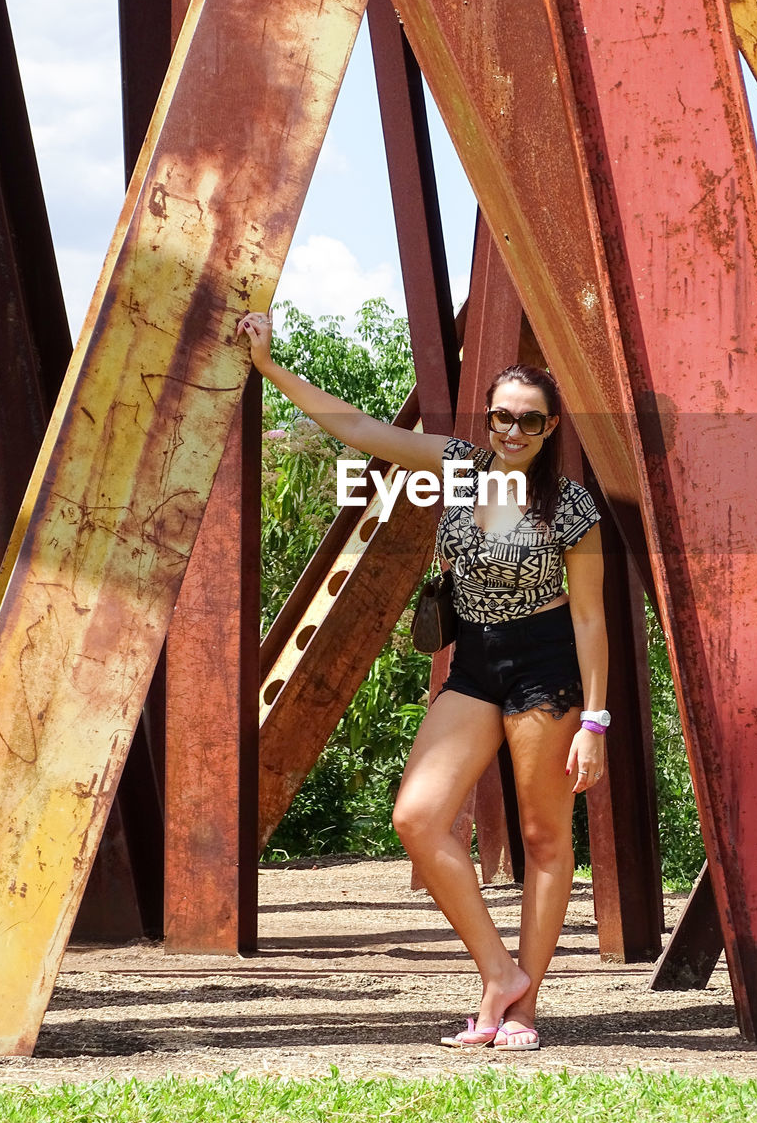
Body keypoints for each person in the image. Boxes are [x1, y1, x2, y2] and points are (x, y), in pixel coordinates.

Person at [238, 310, 609, 1052]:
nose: (511, 430)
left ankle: (524, 1013)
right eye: (501, 416)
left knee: (543, 838)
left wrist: (594, 723)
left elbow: (592, 620)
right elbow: (362, 430)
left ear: (550, 427)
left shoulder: (569, 507)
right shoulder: (458, 465)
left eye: (527, 421)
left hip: (545, 669)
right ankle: (498, 974)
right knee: (417, 817)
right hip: (474, 663)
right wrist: (270, 368)